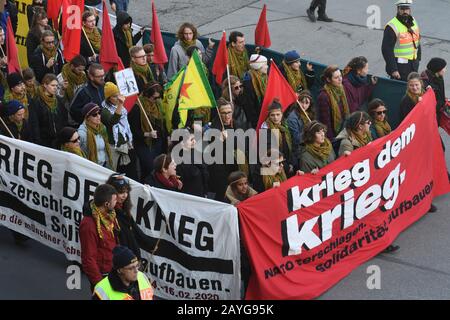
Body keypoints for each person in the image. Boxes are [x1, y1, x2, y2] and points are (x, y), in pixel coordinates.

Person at [105, 174, 158, 261]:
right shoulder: (110, 215)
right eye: (121, 192)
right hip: (123, 262)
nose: (124, 195)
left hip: (132, 258)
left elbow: (135, 229)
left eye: (126, 192)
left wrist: (150, 244)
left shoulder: (124, 210)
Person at [80, 184, 119, 289]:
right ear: (106, 204)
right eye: (115, 200)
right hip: (102, 276)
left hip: (112, 270)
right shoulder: (88, 225)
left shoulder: (109, 215)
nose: (117, 202)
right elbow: (88, 258)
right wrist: (99, 284)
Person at [128, 82, 166, 181]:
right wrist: (148, 134)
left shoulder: (158, 105)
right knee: (150, 168)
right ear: (146, 95)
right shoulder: (137, 107)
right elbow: (133, 131)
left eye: (158, 98)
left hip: (157, 142)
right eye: (154, 98)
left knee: (153, 170)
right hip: (143, 143)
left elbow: (162, 123)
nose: (156, 100)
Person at [206, 98, 243, 201]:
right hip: (221, 173)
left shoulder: (237, 124)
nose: (227, 116)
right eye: (224, 113)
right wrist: (220, 140)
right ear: (219, 113)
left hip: (236, 168)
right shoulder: (214, 128)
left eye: (229, 112)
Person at [101, 82, 137, 180]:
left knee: (129, 172)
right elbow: (113, 121)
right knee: (112, 172)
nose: (118, 98)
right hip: (113, 147)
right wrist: (120, 104)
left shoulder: (121, 108)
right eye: (114, 96)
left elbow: (125, 124)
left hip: (125, 145)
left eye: (118, 95)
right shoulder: (104, 111)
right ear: (109, 98)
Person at [382, 0, 421, 81]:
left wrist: (418, 58)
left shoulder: (413, 21)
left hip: (413, 64)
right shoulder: (392, 26)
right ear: (398, 9)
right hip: (400, 67)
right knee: (401, 90)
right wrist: (393, 69)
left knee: (412, 89)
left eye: (407, 9)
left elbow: (417, 40)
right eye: (402, 9)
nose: (405, 11)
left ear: (410, 9)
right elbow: (386, 49)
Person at [32, 73, 68, 148]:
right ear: (45, 85)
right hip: (44, 142)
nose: (55, 88)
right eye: (52, 85)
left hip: (58, 140)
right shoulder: (37, 102)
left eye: (56, 86)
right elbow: (35, 125)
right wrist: (38, 143)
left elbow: (64, 118)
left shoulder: (57, 100)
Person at [261, 99, 295, 176]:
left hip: (289, 163)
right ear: (268, 116)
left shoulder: (284, 126)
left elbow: (290, 146)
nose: (275, 118)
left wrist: (292, 163)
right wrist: (287, 167)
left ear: (282, 114)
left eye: (278, 114)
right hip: (277, 168)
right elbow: (271, 153)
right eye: (272, 115)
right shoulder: (265, 131)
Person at [172, 127, 209, 197]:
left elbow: (204, 172)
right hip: (189, 198)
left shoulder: (196, 152)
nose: (194, 142)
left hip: (201, 194)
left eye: (194, 139)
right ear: (182, 143)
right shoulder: (177, 161)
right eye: (191, 140)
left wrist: (205, 192)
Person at [317, 65, 350, 140]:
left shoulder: (341, 88)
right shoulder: (323, 96)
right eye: (336, 77)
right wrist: (332, 139)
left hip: (343, 128)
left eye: (340, 76)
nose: (340, 79)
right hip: (333, 134)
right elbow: (325, 122)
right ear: (328, 79)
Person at [78, 102, 113, 168]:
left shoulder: (102, 128)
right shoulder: (82, 133)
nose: (98, 116)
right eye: (94, 115)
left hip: (104, 165)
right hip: (90, 168)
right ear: (87, 117)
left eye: (99, 113)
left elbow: (105, 149)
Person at [242, 54, 268, 128]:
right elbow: (249, 105)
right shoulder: (248, 82)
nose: (267, 67)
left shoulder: (265, 77)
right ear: (258, 66)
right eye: (265, 65)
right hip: (256, 119)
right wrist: (256, 122)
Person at [286, 89, 315, 154]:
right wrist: (310, 134)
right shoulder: (292, 118)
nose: (304, 106)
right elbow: (296, 139)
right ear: (298, 102)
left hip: (308, 145)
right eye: (302, 102)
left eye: (307, 103)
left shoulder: (309, 113)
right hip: (299, 150)